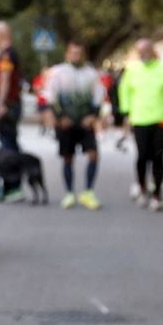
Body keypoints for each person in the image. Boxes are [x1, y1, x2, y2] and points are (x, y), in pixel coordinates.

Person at [44, 41, 106, 210]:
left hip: (86, 123)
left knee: (93, 155)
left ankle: (88, 192)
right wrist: (60, 117)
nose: (76, 56)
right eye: (73, 52)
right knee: (68, 157)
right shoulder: (58, 72)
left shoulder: (91, 73)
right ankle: (69, 193)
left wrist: (93, 116)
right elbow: (51, 97)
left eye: (79, 53)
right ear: (67, 54)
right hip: (66, 124)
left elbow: (98, 96)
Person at [119, 38, 163, 209]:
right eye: (140, 52)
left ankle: (157, 194)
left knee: (158, 156)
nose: (143, 54)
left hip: (161, 119)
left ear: (153, 51)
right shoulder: (132, 70)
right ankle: (142, 187)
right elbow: (125, 91)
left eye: (146, 51)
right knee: (142, 156)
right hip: (139, 119)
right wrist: (126, 112)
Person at [0, 21, 24, 152]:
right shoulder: (5, 53)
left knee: (8, 141)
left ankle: (13, 169)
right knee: (9, 139)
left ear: (0, 35)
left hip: (9, 104)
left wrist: (0, 103)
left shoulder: (6, 55)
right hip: (11, 103)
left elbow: (5, 78)